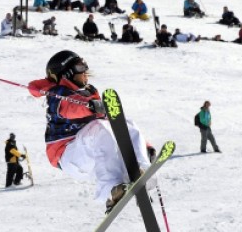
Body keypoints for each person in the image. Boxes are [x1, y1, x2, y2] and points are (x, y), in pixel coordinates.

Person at [28, 50, 153, 211]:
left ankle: (139, 171)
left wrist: (144, 145)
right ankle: (110, 190)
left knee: (125, 123)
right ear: (67, 73)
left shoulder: (89, 91)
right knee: (98, 129)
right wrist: (90, 107)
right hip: (67, 154)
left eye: (85, 65)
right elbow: (71, 108)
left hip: (89, 154)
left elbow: (114, 123)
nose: (85, 71)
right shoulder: (58, 94)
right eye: (80, 67)